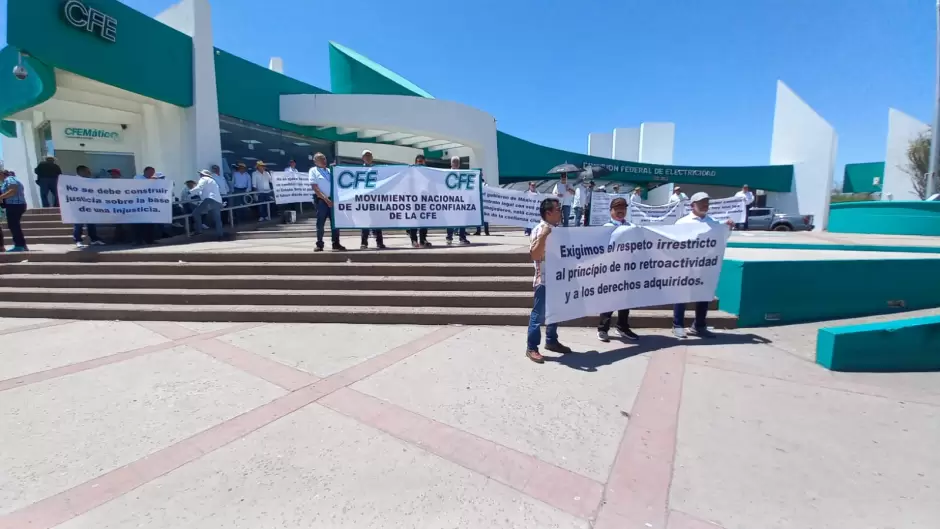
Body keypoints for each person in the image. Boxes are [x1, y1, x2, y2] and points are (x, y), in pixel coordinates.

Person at [672, 192, 734, 339]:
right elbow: (673, 243)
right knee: (681, 296)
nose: (705, 205)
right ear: (692, 205)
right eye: (701, 203)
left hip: (705, 266)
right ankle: (678, 325)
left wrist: (728, 228)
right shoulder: (682, 223)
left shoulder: (713, 222)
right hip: (686, 266)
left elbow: (721, 239)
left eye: (707, 203)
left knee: (704, 296)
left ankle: (699, 326)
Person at [525, 197, 572, 363]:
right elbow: (535, 255)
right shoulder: (540, 230)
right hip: (543, 281)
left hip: (557, 279)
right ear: (548, 213)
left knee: (555, 312)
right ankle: (532, 348)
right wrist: (545, 236)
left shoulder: (558, 229)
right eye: (558, 209)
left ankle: (551, 341)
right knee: (538, 315)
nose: (561, 212)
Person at [597, 197, 640, 342]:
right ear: (611, 211)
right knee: (609, 301)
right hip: (611, 270)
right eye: (617, 209)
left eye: (623, 208)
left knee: (626, 301)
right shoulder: (605, 228)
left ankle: (622, 327)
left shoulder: (631, 227)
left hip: (627, 270)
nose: (621, 211)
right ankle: (603, 329)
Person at [310, 152, 345, 252]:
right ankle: (319, 244)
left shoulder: (330, 171)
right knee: (320, 223)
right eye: (321, 159)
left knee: (335, 223)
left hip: (333, 200)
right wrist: (326, 199)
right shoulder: (313, 171)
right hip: (322, 201)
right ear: (315, 161)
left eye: (324, 158)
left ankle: (336, 243)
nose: (323, 161)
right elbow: (315, 188)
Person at [358, 150, 386, 249]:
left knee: (377, 221)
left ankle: (379, 242)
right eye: (366, 156)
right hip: (364, 199)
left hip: (375, 199)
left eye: (369, 155)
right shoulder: (358, 170)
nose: (368, 157)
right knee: (365, 221)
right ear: (363, 158)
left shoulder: (377, 169)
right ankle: (364, 242)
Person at [72, 165, 105, 248]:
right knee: (78, 224)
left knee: (91, 223)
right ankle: (78, 240)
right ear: (81, 172)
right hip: (78, 206)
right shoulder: (73, 182)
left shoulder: (89, 181)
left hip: (89, 205)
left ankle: (94, 239)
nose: (90, 173)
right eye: (87, 171)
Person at [190, 169, 225, 240]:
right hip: (217, 201)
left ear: (203, 174)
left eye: (200, 174)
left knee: (196, 213)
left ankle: (199, 230)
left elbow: (199, 188)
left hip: (209, 200)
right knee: (217, 219)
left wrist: (190, 192)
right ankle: (220, 235)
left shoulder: (203, 179)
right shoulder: (213, 181)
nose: (200, 175)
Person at [0, 170, 28, 252]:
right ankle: (22, 245)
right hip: (16, 205)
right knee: (14, 225)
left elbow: (13, 190)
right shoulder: (10, 179)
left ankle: (19, 245)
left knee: (13, 225)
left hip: (15, 205)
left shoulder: (10, 179)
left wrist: (1, 197)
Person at [407, 155, 432, 248]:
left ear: (424, 162)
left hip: (424, 200)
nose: (420, 163)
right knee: (414, 221)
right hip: (414, 200)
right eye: (418, 161)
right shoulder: (411, 172)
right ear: (416, 162)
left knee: (424, 221)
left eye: (421, 161)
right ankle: (414, 240)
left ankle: (423, 240)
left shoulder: (428, 172)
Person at [445, 156, 470, 245]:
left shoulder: (462, 174)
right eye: (454, 162)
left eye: (457, 162)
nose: (455, 163)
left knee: (462, 220)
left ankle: (462, 237)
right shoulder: (446, 173)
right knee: (450, 220)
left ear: (459, 164)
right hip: (451, 201)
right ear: (451, 163)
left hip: (460, 201)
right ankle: (449, 237)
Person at [132, 167, 158, 245]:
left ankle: (150, 240)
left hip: (149, 205)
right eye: (150, 172)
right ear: (145, 171)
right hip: (138, 205)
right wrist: (152, 181)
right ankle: (138, 240)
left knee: (150, 224)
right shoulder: (137, 178)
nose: (151, 174)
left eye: (153, 172)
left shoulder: (153, 180)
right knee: (138, 224)